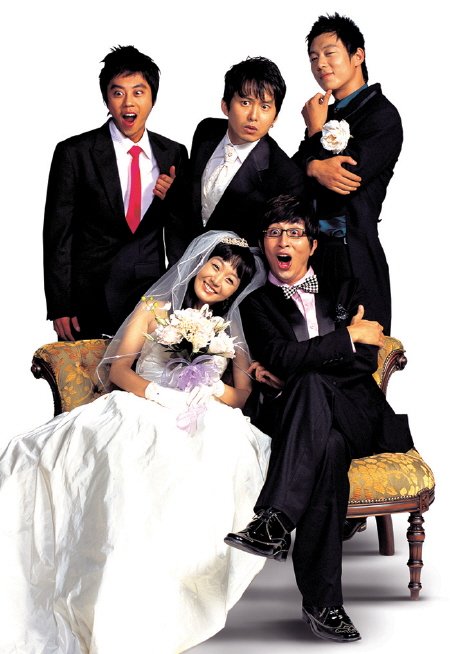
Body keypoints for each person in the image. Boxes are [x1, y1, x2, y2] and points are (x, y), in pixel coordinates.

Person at [0, 231, 271, 654]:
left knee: (214, 458)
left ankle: (176, 585)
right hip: (143, 403)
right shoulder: (154, 308)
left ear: (236, 290)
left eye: (231, 279)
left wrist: (215, 390)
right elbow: (118, 370)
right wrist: (157, 393)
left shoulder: (229, 330)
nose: (218, 279)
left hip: (201, 414)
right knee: (128, 459)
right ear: (198, 262)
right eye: (215, 266)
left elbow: (240, 395)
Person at [225, 195, 414, 643]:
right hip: (303, 426)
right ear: (262, 244)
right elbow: (281, 355)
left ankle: (274, 520)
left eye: (294, 233)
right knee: (326, 450)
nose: (283, 242)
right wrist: (343, 339)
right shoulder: (256, 305)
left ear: (311, 244)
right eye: (274, 233)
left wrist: (309, 359)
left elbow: (362, 359)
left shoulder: (346, 288)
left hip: (357, 414)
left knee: (309, 382)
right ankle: (324, 606)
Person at [43, 45, 191, 342]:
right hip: (88, 299)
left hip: (149, 298)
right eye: (118, 92)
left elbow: (179, 233)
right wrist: (60, 304)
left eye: (138, 92)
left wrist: (183, 299)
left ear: (152, 98)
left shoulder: (173, 153)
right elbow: (58, 235)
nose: (128, 103)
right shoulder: (74, 153)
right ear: (106, 98)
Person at [292, 13, 403, 334]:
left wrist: (316, 133)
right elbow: (291, 178)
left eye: (329, 53)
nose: (320, 64)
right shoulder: (325, 113)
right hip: (310, 254)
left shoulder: (382, 114)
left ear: (358, 56)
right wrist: (313, 165)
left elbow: (344, 177)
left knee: (361, 349)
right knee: (308, 347)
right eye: (313, 58)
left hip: (351, 252)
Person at [190, 56, 305, 245]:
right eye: (245, 102)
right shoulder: (206, 131)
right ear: (225, 106)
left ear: (275, 117)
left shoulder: (285, 175)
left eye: (265, 106)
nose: (253, 116)